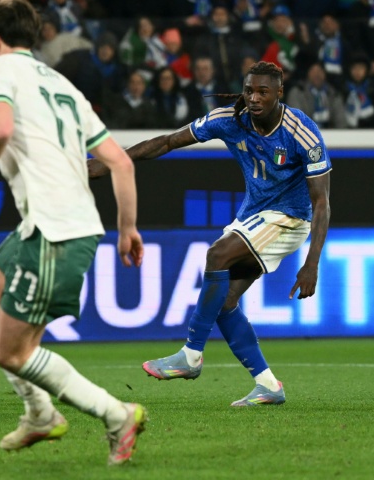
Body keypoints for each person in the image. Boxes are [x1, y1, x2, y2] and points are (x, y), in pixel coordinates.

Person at [0, 0, 147, 466]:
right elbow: (119, 161)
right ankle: (39, 414)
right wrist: (128, 227)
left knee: (11, 352)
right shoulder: (61, 83)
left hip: (57, 231)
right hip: (46, 224)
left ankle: (117, 413)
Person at [88, 61, 332, 407]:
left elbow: (321, 203)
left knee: (217, 255)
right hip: (253, 216)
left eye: (263, 91)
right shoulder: (230, 120)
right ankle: (268, 386)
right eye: (249, 90)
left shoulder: (301, 133)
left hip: (289, 219)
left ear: (280, 93)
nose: (254, 97)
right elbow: (168, 141)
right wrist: (113, 163)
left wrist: (312, 264)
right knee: (225, 302)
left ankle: (190, 356)